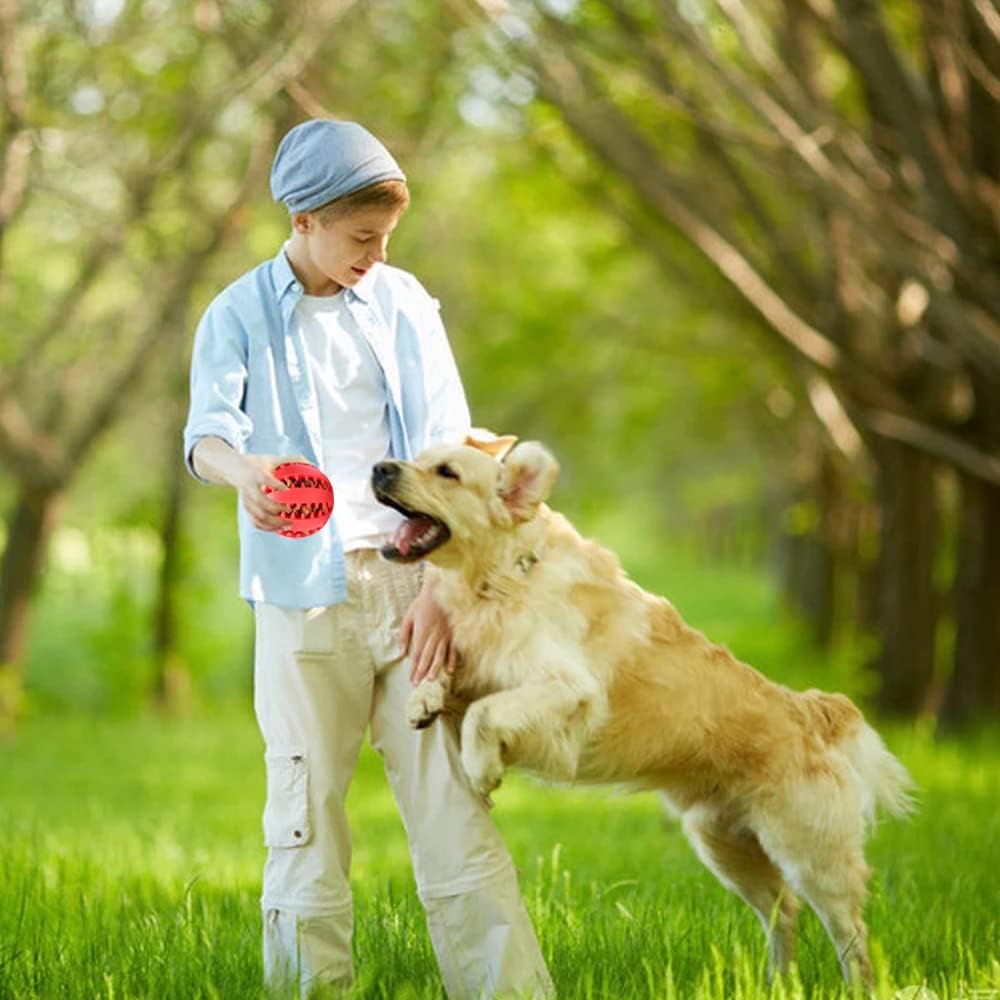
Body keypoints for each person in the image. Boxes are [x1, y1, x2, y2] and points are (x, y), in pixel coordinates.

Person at [182, 119, 553, 998]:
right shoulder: (235, 314)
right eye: (360, 238)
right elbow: (206, 436)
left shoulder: (404, 302)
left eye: (385, 239)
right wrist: (246, 472)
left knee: (454, 812)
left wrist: (440, 588)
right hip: (303, 597)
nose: (375, 255)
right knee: (304, 818)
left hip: (413, 586)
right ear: (304, 219)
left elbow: (449, 447)